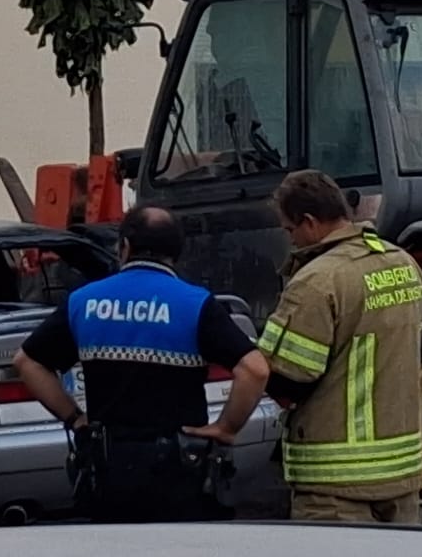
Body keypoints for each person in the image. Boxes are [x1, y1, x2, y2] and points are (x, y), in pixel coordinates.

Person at [13, 205, 270, 523]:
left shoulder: (85, 301)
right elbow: (255, 369)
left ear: (125, 247)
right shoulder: (195, 304)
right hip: (181, 470)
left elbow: (27, 362)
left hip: (109, 469)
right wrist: (226, 428)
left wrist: (75, 419)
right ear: (176, 252)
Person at [260, 169, 422, 524]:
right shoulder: (404, 263)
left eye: (290, 231)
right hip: (403, 474)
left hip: (335, 483)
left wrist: (246, 360)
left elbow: (290, 379)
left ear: (309, 222)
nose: (291, 241)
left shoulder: (318, 281)